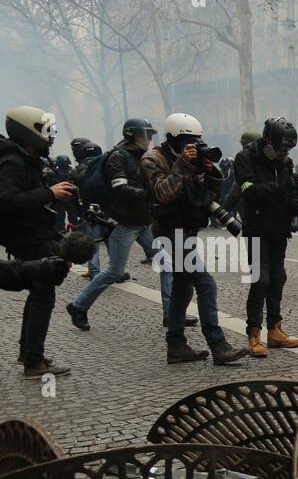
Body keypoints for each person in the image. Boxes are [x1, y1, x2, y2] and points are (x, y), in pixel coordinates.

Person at [66, 117, 195, 332]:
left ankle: (172, 314)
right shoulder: (118, 157)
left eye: (150, 135)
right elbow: (119, 189)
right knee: (115, 271)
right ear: (130, 135)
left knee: (167, 265)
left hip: (145, 221)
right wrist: (150, 195)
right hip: (123, 223)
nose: (148, 139)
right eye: (144, 135)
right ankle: (78, 305)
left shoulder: (143, 156)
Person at [140, 112, 247, 365]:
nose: (193, 145)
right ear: (173, 139)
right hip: (168, 231)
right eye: (188, 140)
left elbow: (207, 198)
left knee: (182, 289)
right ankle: (218, 344)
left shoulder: (189, 160)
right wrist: (184, 167)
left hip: (186, 230)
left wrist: (208, 172)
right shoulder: (151, 159)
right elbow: (163, 193)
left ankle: (176, 346)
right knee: (205, 284)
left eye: (196, 140)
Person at [0, 105, 73, 377]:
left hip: (33, 234)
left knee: (38, 293)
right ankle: (34, 361)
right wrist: (49, 194)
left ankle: (27, 352)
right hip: (28, 238)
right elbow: (6, 201)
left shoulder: (23, 158)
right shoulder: (13, 161)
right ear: (27, 132)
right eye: (44, 131)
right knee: (43, 295)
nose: (49, 137)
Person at [234, 116, 298, 357]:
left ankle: (275, 329)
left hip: (279, 228)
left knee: (277, 278)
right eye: (280, 149)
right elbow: (250, 191)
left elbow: (290, 193)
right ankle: (253, 333)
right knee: (260, 280)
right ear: (268, 142)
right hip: (256, 228)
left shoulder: (285, 162)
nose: (284, 154)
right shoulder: (245, 158)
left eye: (288, 150)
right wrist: (283, 187)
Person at [67, 137, 104, 281]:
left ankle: (95, 271)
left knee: (92, 240)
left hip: (89, 210)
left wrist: (79, 210)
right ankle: (115, 270)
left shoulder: (76, 171)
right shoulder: (106, 165)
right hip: (107, 208)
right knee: (111, 240)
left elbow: (74, 194)